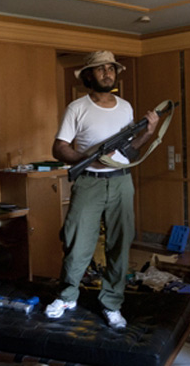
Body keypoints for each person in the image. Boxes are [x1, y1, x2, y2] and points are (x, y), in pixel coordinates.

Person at [45, 50, 159, 329]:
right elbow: (59, 147)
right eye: (100, 69)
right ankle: (67, 296)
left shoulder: (126, 107)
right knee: (76, 242)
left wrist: (149, 132)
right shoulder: (77, 108)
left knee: (119, 244)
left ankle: (112, 304)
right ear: (88, 76)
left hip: (121, 181)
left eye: (111, 68)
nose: (107, 73)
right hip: (88, 181)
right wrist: (87, 159)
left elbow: (130, 150)